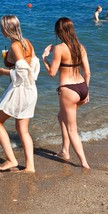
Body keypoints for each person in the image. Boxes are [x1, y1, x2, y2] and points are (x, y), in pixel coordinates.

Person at [0, 15, 39, 172]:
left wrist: (4, 72)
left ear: (6, 28)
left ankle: (11, 160)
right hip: (31, 89)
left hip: (20, 90)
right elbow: (34, 67)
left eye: (1, 26)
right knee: (22, 129)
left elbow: (22, 72)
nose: (0, 29)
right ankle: (30, 166)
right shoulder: (27, 42)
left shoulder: (15, 46)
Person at [42, 17, 91, 169]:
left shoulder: (59, 48)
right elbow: (87, 72)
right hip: (82, 87)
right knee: (60, 116)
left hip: (68, 90)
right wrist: (87, 92)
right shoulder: (80, 47)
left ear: (59, 31)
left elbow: (52, 73)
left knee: (72, 129)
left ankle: (84, 163)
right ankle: (64, 151)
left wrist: (44, 58)